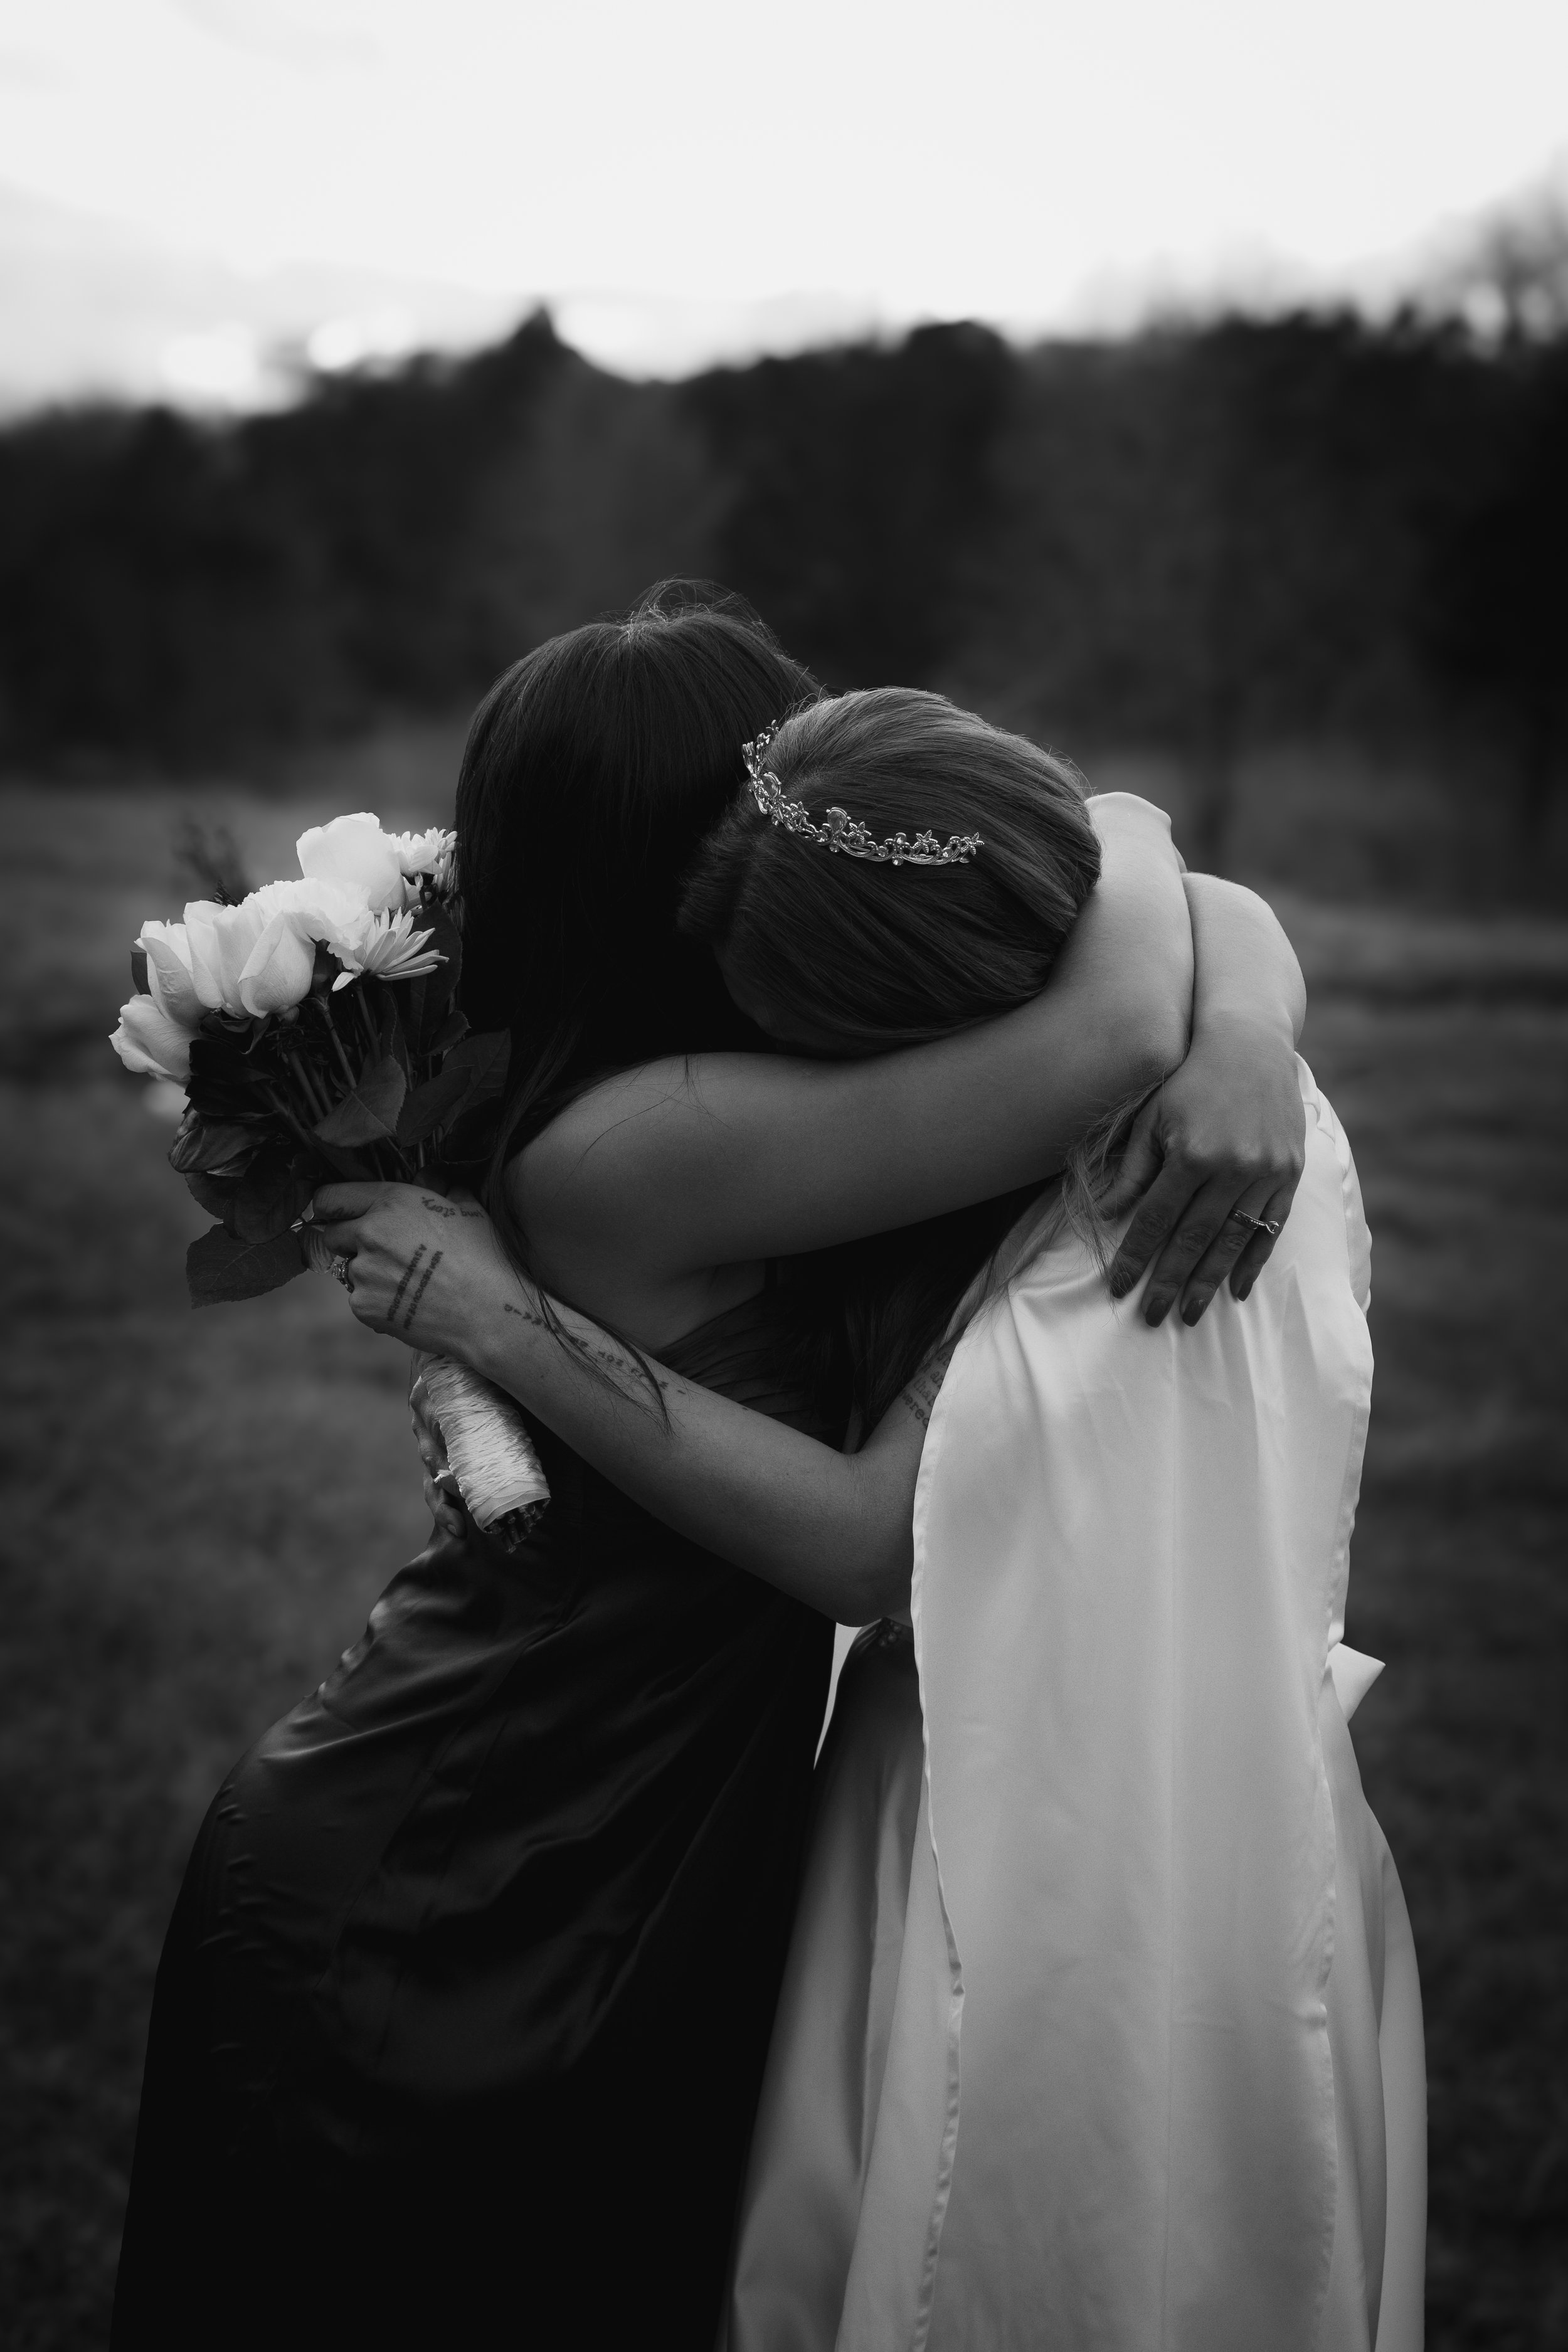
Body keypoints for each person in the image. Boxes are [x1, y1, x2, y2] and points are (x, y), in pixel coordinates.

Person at [114, 591, 1303, 2350]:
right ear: (687, 856)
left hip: (621, 1829)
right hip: (467, 1860)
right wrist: (1203, 973)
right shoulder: (638, 1140)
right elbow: (1117, 995)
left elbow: (1133, 920)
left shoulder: (723, 1100)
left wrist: (1246, 1005)